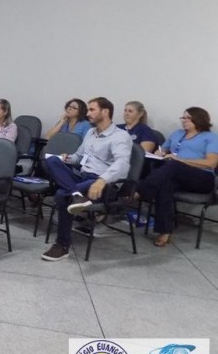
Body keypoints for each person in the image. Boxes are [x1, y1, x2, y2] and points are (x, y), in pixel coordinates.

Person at [41, 97, 132, 261]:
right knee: (52, 160)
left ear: (105, 112)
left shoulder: (120, 136)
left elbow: (123, 164)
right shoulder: (91, 132)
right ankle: (76, 194)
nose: (88, 113)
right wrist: (68, 158)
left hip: (102, 183)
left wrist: (102, 180)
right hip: (83, 177)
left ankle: (62, 245)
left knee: (62, 194)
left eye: (92, 110)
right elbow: (79, 157)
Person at [136, 107, 218, 247]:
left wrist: (180, 160)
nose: (184, 121)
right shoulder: (177, 134)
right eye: (183, 118)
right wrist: (160, 153)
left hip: (202, 177)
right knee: (165, 185)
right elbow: (162, 149)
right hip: (176, 174)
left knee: (173, 165)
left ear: (199, 119)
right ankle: (165, 231)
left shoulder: (210, 137)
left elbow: (211, 163)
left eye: (188, 118)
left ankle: (140, 191)